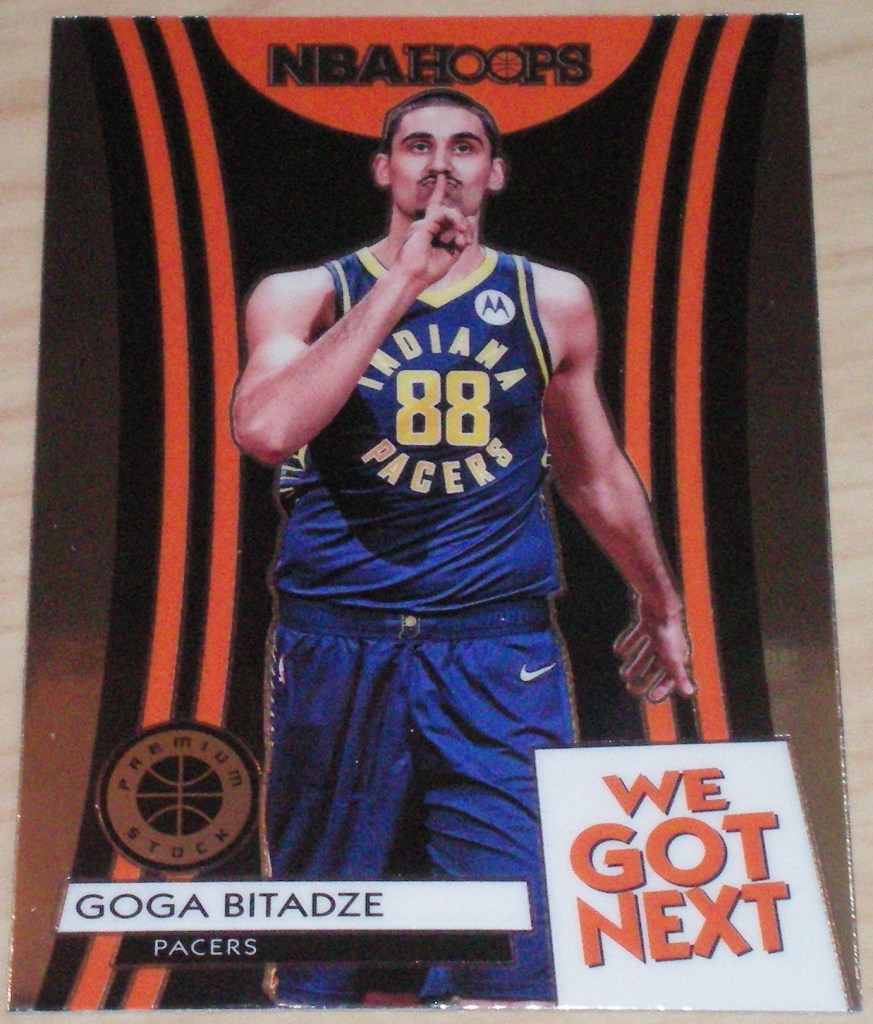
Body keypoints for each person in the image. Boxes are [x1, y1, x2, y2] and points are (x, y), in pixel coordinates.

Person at [232, 88, 695, 1007]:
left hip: (493, 648)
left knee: (511, 946)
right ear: (383, 168)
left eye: (464, 146)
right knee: (324, 948)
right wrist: (400, 283)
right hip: (339, 639)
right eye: (417, 145)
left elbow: (592, 472)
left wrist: (660, 602)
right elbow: (269, 430)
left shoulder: (549, 300)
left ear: (495, 172)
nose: (440, 164)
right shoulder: (305, 295)